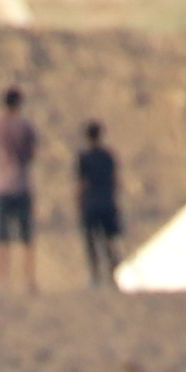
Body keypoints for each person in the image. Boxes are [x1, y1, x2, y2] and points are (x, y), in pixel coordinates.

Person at [0, 84, 41, 277]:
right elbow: (32, 154)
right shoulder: (26, 127)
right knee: (27, 238)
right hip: (22, 185)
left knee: (2, 238)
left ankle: (2, 280)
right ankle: (29, 279)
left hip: (3, 186)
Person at [71, 121, 124, 286]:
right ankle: (113, 273)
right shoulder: (108, 156)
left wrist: (78, 202)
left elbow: (81, 183)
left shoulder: (84, 158)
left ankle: (95, 276)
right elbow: (114, 181)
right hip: (107, 202)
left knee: (91, 242)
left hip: (90, 203)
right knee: (109, 240)